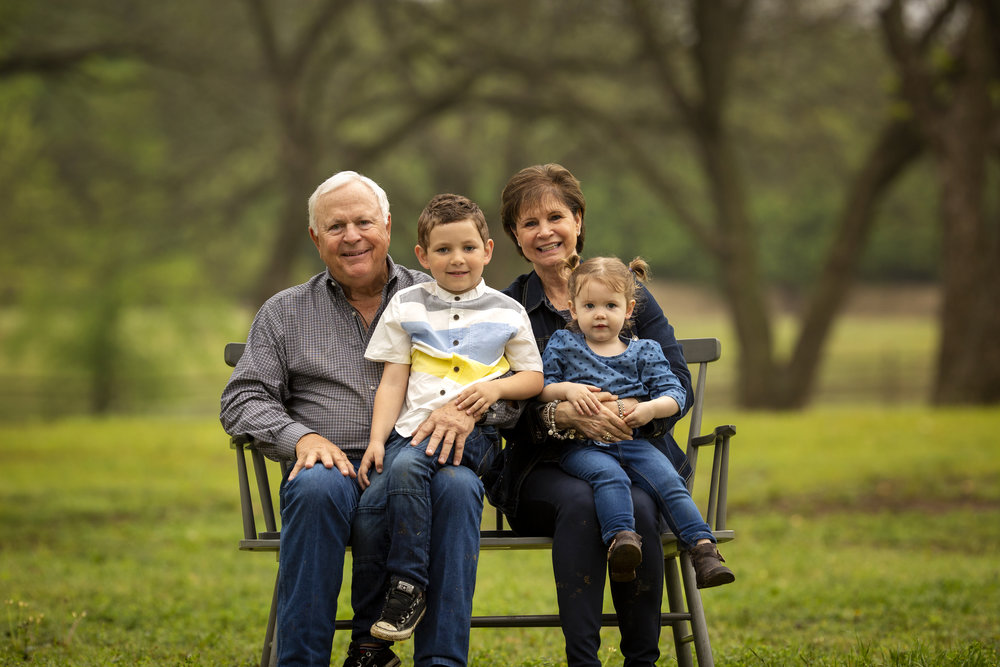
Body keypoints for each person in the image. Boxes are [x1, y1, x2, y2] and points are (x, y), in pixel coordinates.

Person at [220, 171, 500, 667]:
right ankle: (303, 661)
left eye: (364, 221)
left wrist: (469, 409)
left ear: (388, 228)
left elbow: (511, 383)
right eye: (335, 226)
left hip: (426, 461)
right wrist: (300, 437)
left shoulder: (448, 295)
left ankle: (440, 661)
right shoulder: (284, 312)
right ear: (315, 238)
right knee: (314, 486)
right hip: (336, 468)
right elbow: (243, 398)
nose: (352, 236)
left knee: (458, 487)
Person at [482, 163, 697, 667]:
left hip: (635, 453)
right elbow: (500, 407)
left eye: (555, 216)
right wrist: (560, 417)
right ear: (515, 235)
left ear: (578, 219)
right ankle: (583, 660)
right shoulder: (507, 307)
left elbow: (677, 383)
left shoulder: (624, 293)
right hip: (543, 468)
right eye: (528, 223)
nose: (544, 232)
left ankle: (641, 659)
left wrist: (633, 411)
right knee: (583, 502)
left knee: (640, 508)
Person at [359, 193, 544, 642]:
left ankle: (408, 585)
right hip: (412, 432)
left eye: (467, 247)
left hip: (475, 437)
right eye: (443, 250)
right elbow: (392, 382)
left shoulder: (507, 310)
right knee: (378, 496)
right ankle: (367, 641)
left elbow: (533, 377)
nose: (457, 259)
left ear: (487, 250)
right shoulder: (407, 305)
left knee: (405, 468)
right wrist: (377, 440)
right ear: (422, 255)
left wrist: (496, 386)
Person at [538, 255, 734, 587]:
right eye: (589, 306)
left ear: (628, 310)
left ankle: (703, 549)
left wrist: (650, 409)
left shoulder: (645, 351)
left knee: (669, 482)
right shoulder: (564, 344)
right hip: (584, 446)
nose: (600, 314)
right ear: (573, 310)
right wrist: (568, 390)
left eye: (610, 305)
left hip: (636, 442)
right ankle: (622, 541)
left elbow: (675, 393)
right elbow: (541, 386)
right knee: (608, 475)